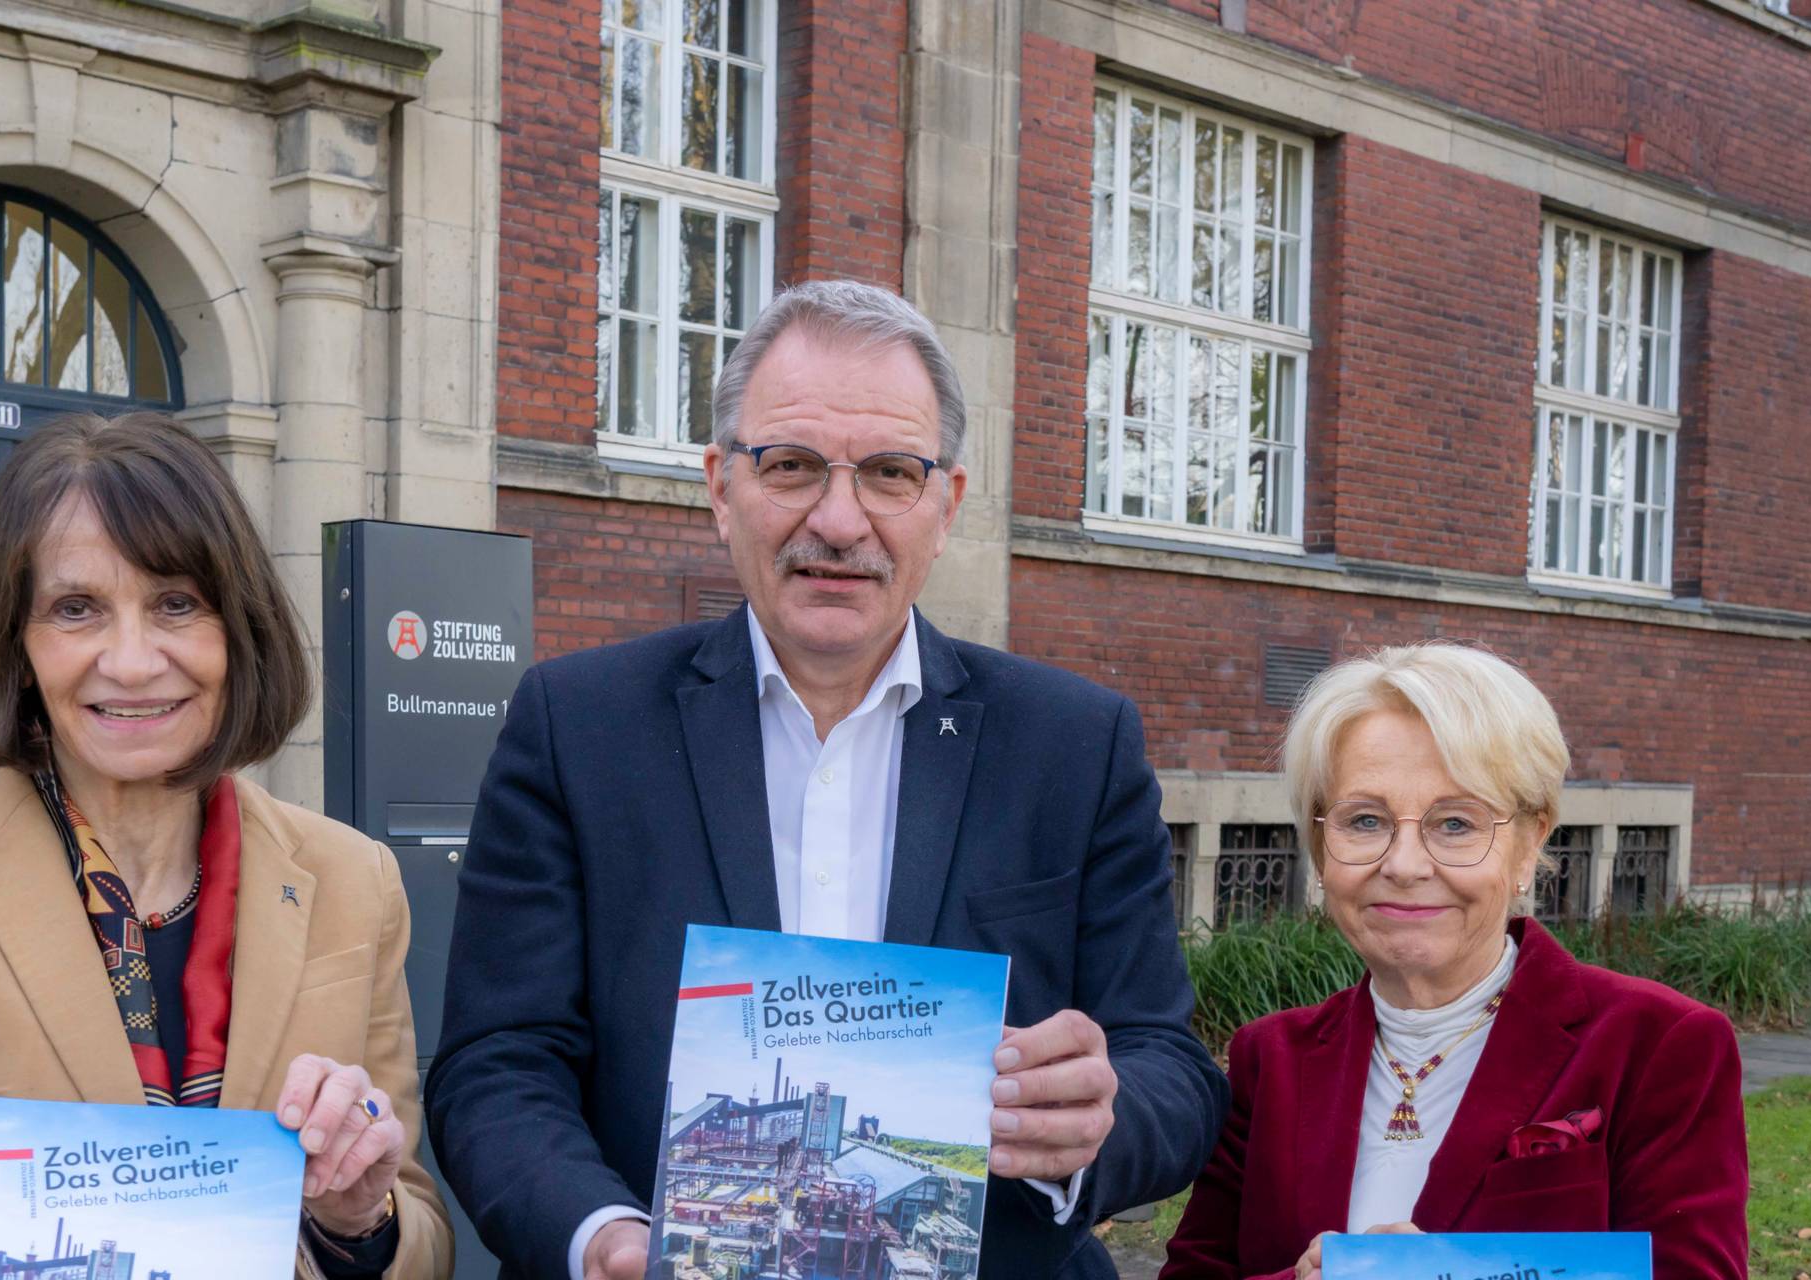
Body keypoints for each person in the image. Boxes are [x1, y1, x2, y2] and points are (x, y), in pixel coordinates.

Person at [425, 280, 1227, 1280]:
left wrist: (1093, 1122)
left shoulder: (1075, 743)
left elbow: (1170, 1068)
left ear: (946, 503)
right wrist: (604, 1239)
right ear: (722, 486)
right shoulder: (576, 725)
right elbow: (498, 1063)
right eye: (793, 465)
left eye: (891, 472)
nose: (840, 520)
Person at [0, 412, 451, 1280]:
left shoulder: (349, 877)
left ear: (238, 630)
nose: (134, 662)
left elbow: (418, 1234)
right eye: (77, 610)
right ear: (18, 646)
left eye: (176, 603)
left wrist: (354, 1218)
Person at [1156, 643, 1748, 1280]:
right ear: (1321, 848)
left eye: (1456, 824)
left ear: (1529, 844)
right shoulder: (1268, 1061)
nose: (1404, 865)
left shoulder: (1658, 1045)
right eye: (1364, 820)